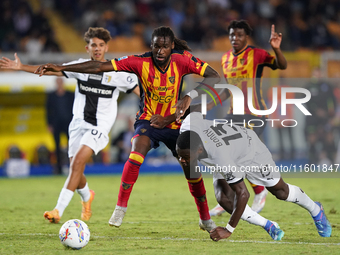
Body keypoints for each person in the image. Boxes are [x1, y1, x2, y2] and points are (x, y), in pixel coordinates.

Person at [34, 26, 220, 232]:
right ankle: (120, 208)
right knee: (136, 153)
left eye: (164, 47)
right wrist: (61, 68)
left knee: (191, 169)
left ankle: (205, 218)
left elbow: (214, 76)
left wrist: (188, 97)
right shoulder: (139, 61)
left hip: (175, 121)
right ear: (151, 45)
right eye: (156, 46)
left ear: (172, 46)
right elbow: (98, 67)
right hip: (148, 120)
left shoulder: (183, 60)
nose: (160, 51)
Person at [0, 27, 140, 223]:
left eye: (101, 45)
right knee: (77, 169)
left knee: (76, 164)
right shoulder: (79, 67)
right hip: (77, 125)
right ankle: (87, 196)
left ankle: (58, 210)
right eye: (94, 45)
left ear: (106, 47)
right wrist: (21, 67)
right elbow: (51, 70)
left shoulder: (118, 73)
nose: (97, 49)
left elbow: (142, 93)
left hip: (99, 127)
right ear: (87, 48)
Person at [176, 112, 332, 241]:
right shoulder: (188, 125)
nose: (182, 161)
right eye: (180, 156)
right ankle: (269, 225)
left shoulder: (220, 158)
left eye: (186, 157)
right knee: (223, 198)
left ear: (199, 150)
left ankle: (315, 209)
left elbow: (243, 193)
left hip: (250, 151)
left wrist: (229, 229)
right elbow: (195, 113)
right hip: (229, 148)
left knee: (281, 192)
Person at [208, 20, 288, 216]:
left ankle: (260, 192)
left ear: (247, 37)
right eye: (232, 35)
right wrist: (210, 104)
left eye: (240, 35)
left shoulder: (257, 54)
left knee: (239, 155)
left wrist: (276, 49)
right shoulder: (225, 58)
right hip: (233, 114)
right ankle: (226, 197)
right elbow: (229, 90)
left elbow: (282, 65)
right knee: (217, 150)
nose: (235, 38)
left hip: (255, 112)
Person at [304, 67, 337, 165]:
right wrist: (316, 110)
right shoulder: (308, 87)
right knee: (312, 139)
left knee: (329, 138)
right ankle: (311, 163)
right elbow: (306, 102)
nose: (318, 75)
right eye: (316, 73)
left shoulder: (327, 86)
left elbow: (333, 102)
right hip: (312, 118)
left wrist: (331, 115)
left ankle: (333, 163)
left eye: (319, 73)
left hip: (325, 118)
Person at [46, 77, 74, 174]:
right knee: (56, 146)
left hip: (68, 123)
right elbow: (48, 111)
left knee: (71, 146)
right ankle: (58, 168)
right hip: (56, 124)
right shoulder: (51, 95)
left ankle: (73, 167)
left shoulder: (70, 95)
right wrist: (49, 124)